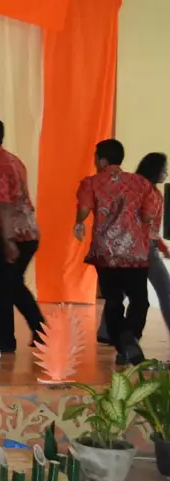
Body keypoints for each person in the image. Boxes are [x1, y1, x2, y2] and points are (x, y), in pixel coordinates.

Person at [74, 139, 159, 366]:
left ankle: (123, 346)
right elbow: (150, 214)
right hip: (134, 252)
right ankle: (129, 339)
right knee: (140, 301)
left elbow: (83, 209)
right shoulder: (140, 183)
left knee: (112, 301)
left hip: (106, 252)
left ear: (102, 159)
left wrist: (79, 222)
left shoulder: (91, 182)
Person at [0, 116, 45, 354]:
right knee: (8, 285)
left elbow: (3, 204)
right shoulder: (12, 160)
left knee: (1, 285)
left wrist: (8, 240)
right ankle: (34, 333)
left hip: (11, 234)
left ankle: (8, 339)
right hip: (25, 232)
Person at [97, 152, 170, 344]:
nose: (167, 174)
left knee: (119, 291)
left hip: (123, 247)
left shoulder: (129, 187)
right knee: (165, 290)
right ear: (155, 171)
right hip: (144, 249)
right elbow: (148, 227)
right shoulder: (152, 194)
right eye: (165, 169)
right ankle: (128, 339)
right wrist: (159, 247)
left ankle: (106, 332)